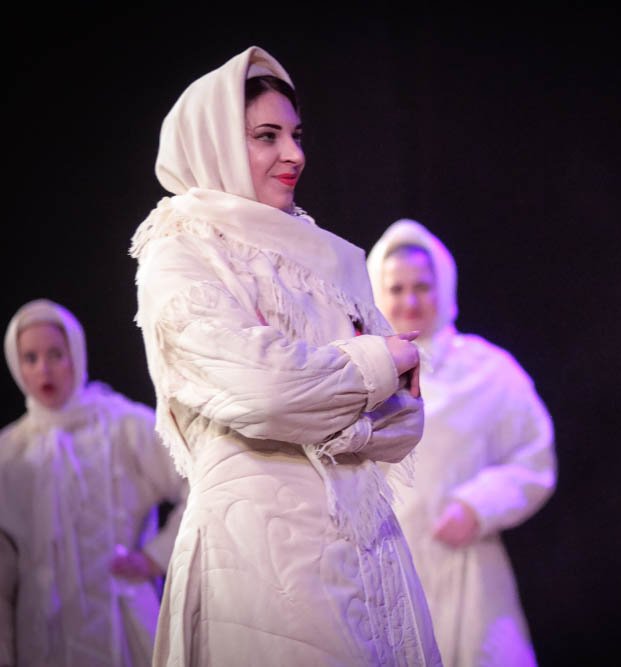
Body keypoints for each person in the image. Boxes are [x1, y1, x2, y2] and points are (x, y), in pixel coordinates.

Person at [128, 46, 441, 666]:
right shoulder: (181, 251)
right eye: (266, 136)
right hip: (259, 554)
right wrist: (368, 374)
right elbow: (264, 390)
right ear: (215, 142)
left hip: (369, 548)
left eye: (296, 135)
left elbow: (404, 419)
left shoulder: (324, 257)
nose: (293, 154)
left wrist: (333, 409)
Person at [367, 219, 558, 667]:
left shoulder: (488, 372)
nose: (410, 301)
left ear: (444, 287)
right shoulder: (362, 376)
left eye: (422, 287)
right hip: (383, 575)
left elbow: (534, 458)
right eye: (396, 289)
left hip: (465, 572)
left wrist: (477, 505)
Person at [0, 298, 188, 667]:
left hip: (123, 623)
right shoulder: (10, 451)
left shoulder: (125, 426)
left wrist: (155, 556)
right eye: (30, 358)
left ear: (76, 352)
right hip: (42, 634)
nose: (44, 369)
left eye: (56, 354)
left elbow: (196, 483)